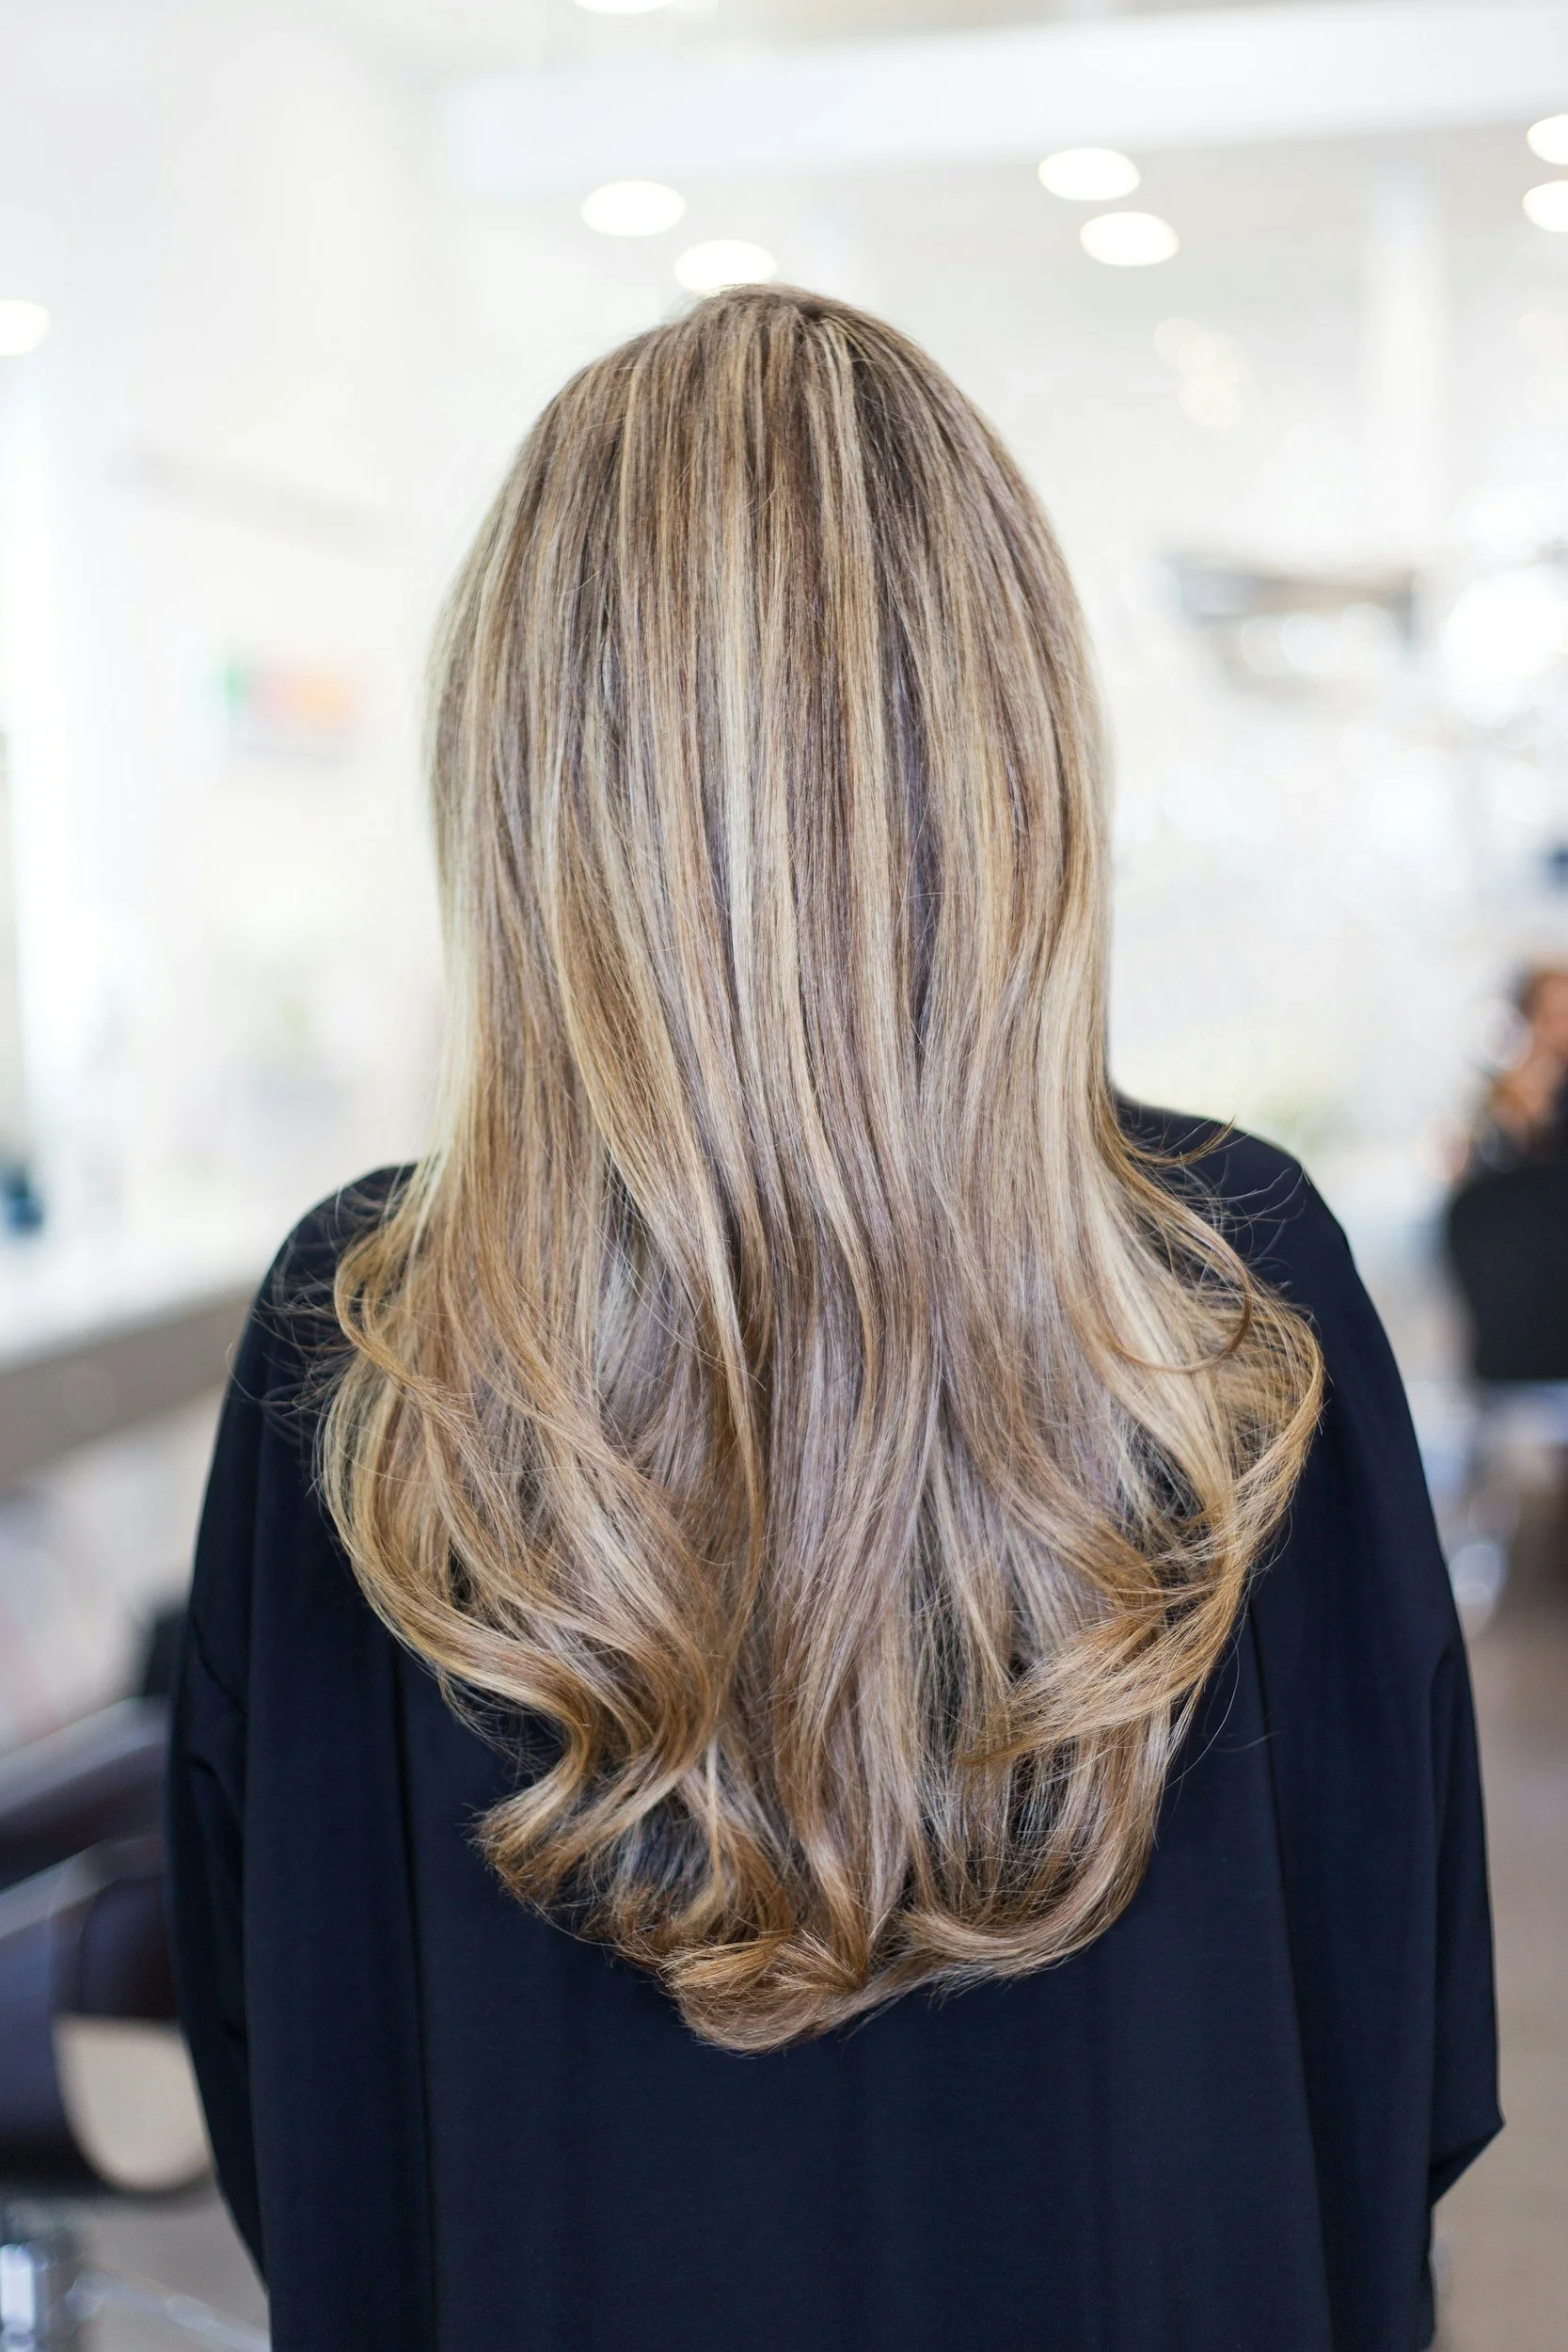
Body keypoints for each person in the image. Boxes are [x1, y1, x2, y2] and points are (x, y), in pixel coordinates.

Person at [167, 288, 1498, 2352]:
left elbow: (301, 2121)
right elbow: (1400, 2065)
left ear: (526, 777)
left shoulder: (366, 1351)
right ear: (1011, 742)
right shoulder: (1235, 1291)